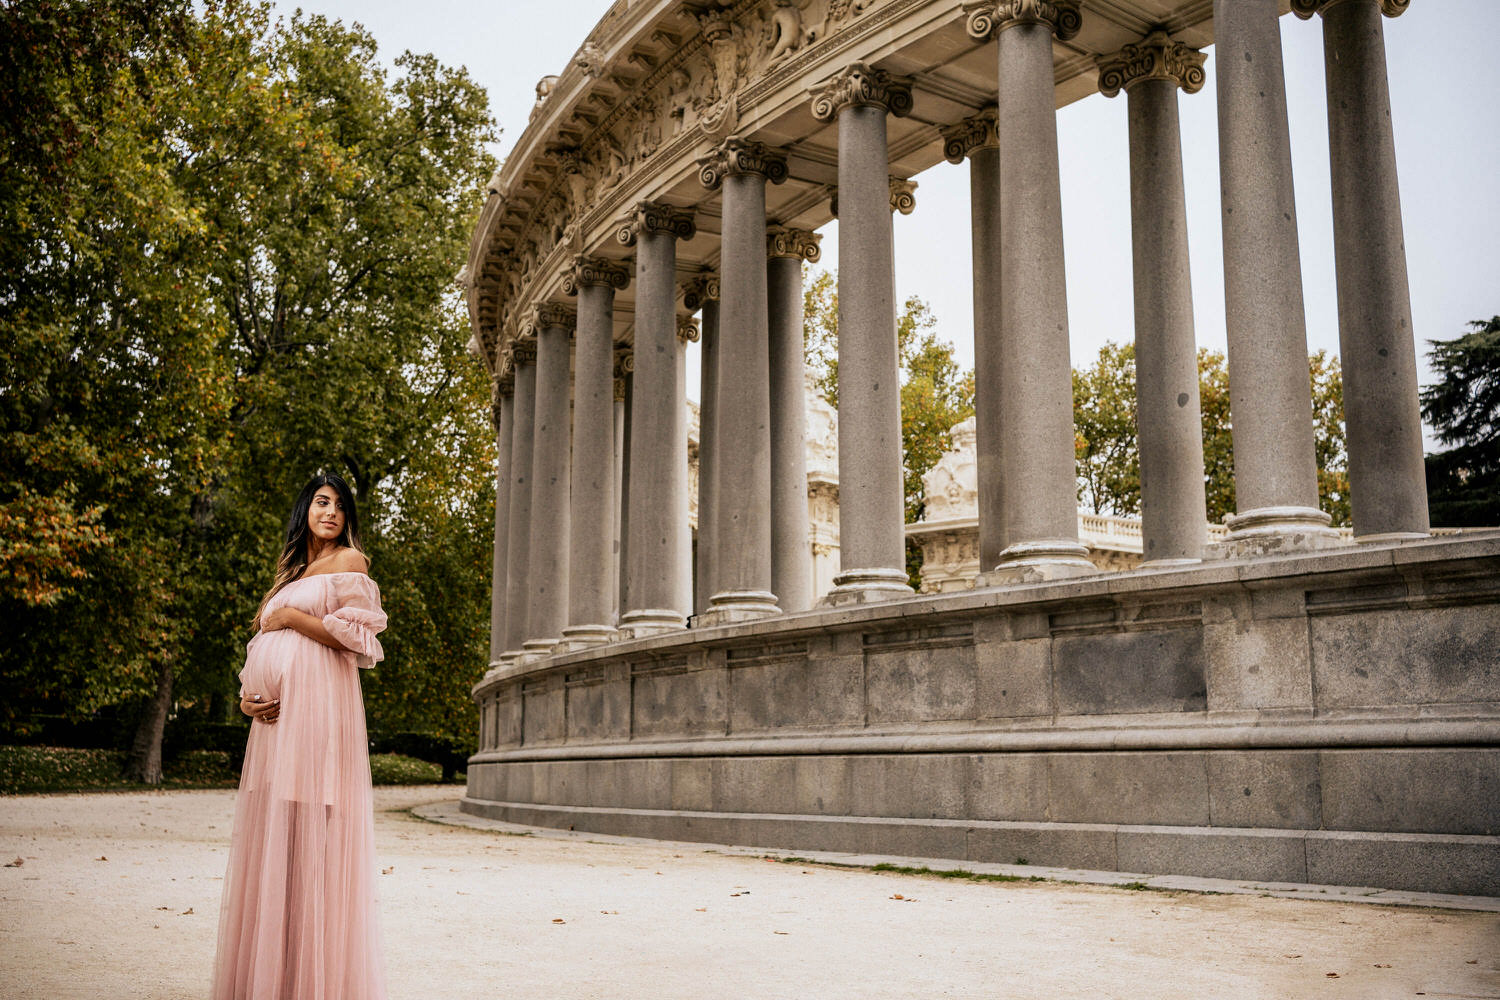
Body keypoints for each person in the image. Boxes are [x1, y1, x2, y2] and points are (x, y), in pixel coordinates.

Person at [211, 472, 389, 1000]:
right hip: (274, 728)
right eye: (321, 502)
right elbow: (259, 647)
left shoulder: (349, 563)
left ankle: (312, 982)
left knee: (312, 838)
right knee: (277, 845)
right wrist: (247, 698)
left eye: (339, 505)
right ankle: (276, 976)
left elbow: (357, 639)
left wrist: (289, 616)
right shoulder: (291, 572)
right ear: (305, 511)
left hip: (319, 717)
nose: (330, 512)